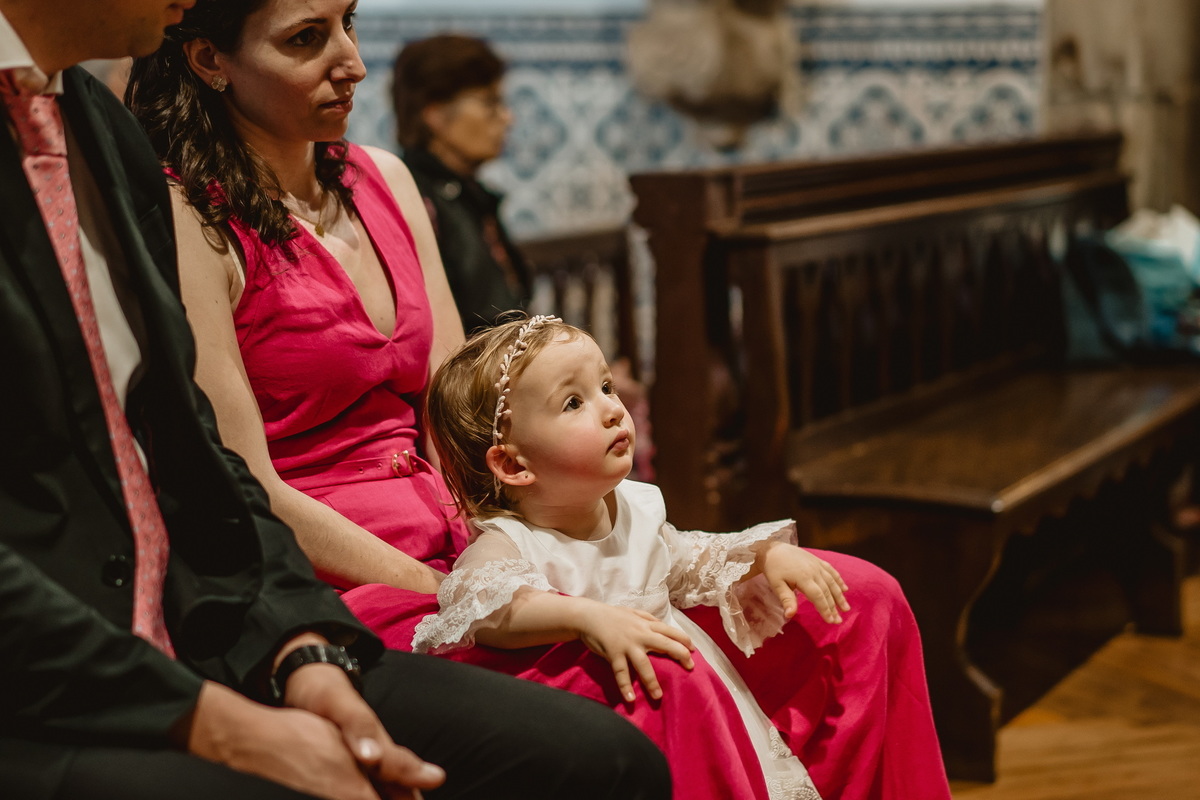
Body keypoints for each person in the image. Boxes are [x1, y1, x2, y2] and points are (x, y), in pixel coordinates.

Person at [0, 0, 672, 797]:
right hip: (242, 603)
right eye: (306, 37)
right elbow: (230, 474)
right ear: (211, 61)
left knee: (666, 665)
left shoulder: (91, 120)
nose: (352, 63)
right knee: (631, 707)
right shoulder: (182, 199)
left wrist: (304, 646)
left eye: (348, 21)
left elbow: (199, 457)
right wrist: (230, 703)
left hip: (380, 568)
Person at [416, 315, 956, 800]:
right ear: (514, 465)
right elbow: (482, 603)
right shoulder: (511, 540)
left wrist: (762, 557)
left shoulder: (635, 507)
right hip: (624, 717)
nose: (612, 409)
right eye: (573, 403)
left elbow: (686, 557)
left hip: (699, 706)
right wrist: (583, 616)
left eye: (605, 387)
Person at [392, 34, 531, 334]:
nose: (507, 118)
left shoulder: (468, 195)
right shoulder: (413, 199)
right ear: (435, 114)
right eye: (490, 103)